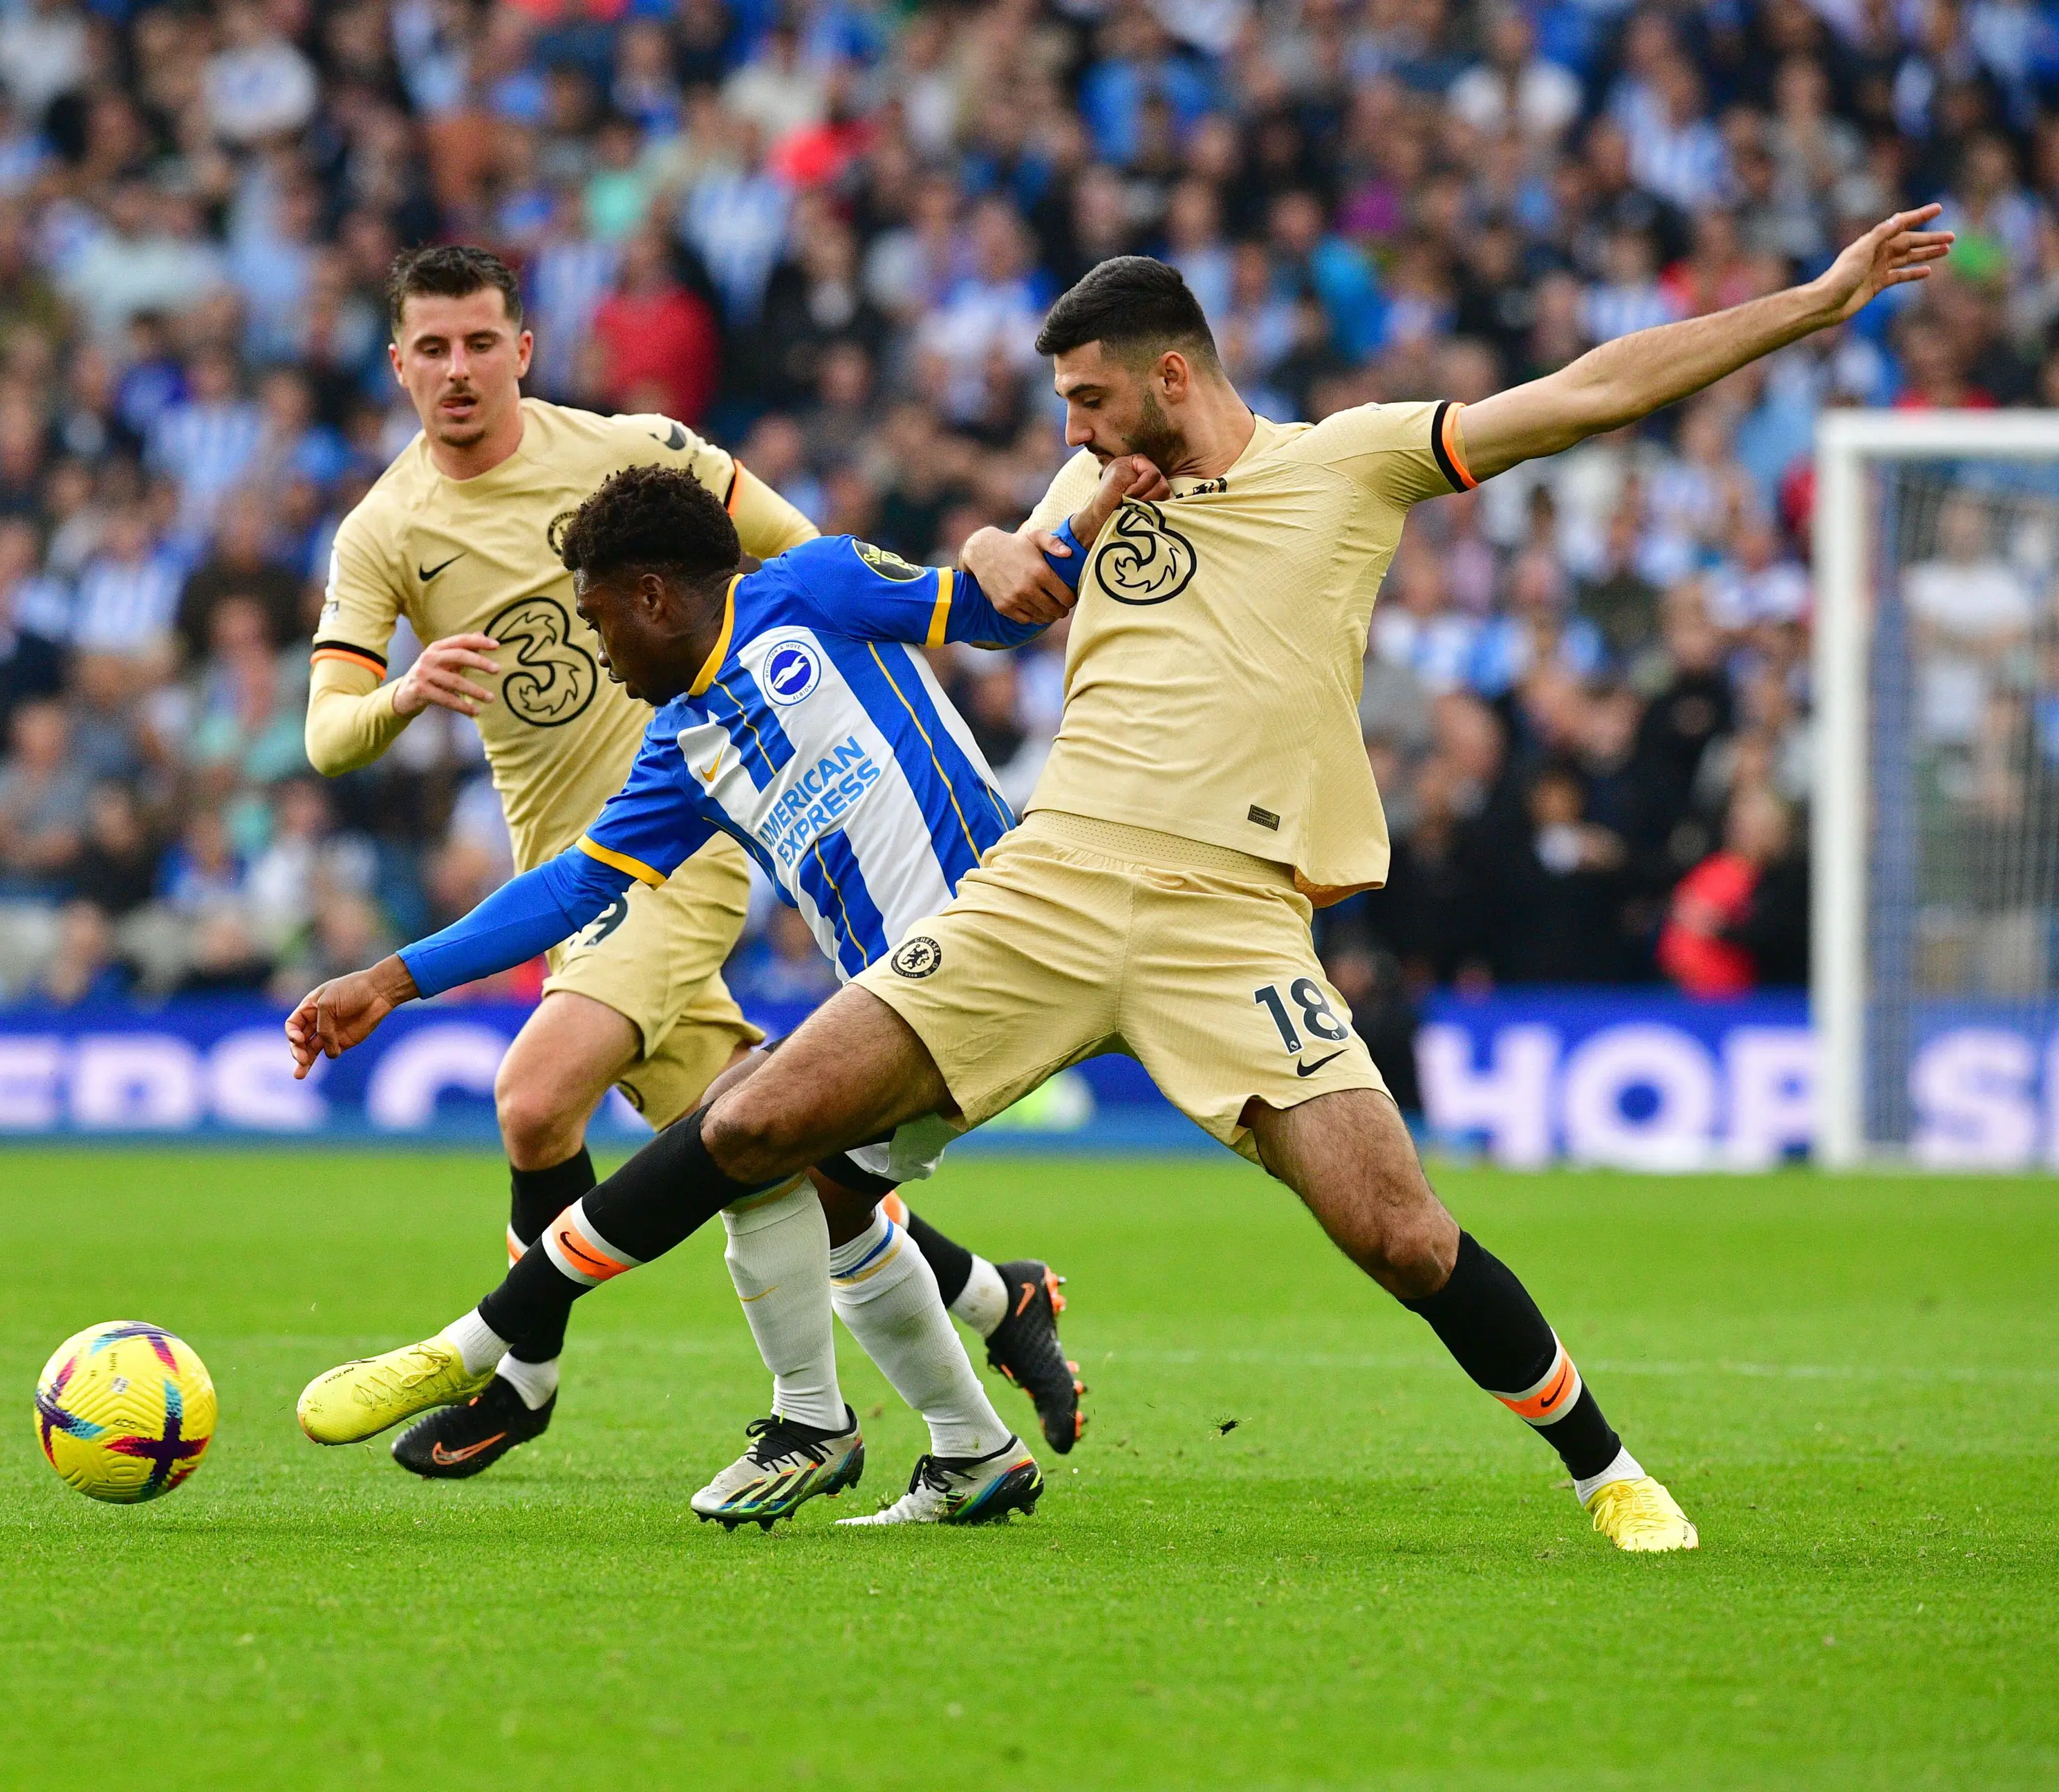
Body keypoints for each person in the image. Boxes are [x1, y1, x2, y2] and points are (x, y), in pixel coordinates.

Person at [299, 208, 1957, 1556]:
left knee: (1393, 1230)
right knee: (753, 1128)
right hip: (1047, 886)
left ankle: (1608, 1473)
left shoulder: (1350, 465)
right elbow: (1003, 581)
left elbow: (1585, 392)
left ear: (1174, 374)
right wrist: (1029, 548)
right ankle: (501, 1346)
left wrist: (1808, 305)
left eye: (1091, 403)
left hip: (1234, 912)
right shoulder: (1097, 490)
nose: (1073, 436)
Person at [301, 243, 1083, 1484]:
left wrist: (985, 562)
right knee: (782, 1164)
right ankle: (989, 1318)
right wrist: (401, 697)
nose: (458, 370)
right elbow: (325, 737)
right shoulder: (387, 529)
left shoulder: (640, 457)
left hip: (700, 837)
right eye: (431, 348)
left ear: (524, 347)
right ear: (398, 364)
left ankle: (519, 1369)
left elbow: (793, 557)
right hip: (587, 851)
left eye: (479, 342)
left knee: (540, 1094)